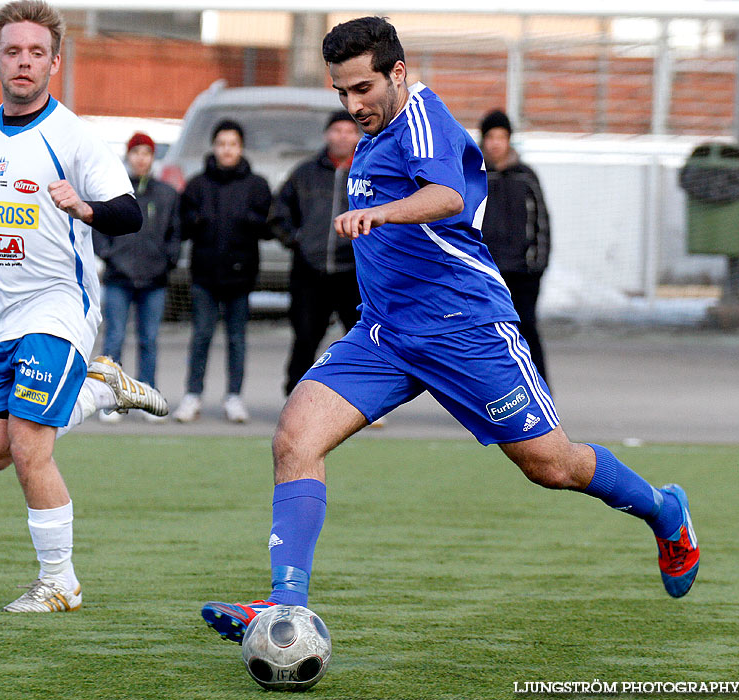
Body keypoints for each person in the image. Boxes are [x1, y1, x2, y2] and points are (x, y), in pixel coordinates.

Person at [201, 17, 699, 642]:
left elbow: (447, 198)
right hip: (387, 335)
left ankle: (664, 511)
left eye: (363, 89)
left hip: (466, 330)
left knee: (552, 465)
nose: (353, 105)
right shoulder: (374, 131)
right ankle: (285, 602)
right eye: (341, 93)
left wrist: (377, 214)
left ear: (398, 73)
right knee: (295, 436)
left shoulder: (422, 120)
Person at [0, 0, 168, 613]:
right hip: (1, 320)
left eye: (36, 53)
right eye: (13, 51)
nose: (24, 62)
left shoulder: (72, 137)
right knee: (3, 448)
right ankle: (97, 389)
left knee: (28, 448)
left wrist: (84, 208)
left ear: (55, 62)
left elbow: (131, 213)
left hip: (58, 308)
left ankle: (59, 582)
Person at [172, 120, 272, 424]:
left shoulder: (256, 185)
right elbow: (182, 224)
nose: (227, 150)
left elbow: (269, 224)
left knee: (236, 338)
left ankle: (234, 397)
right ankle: (192, 396)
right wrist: (197, 220)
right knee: (201, 335)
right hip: (204, 275)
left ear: (240, 148)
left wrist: (250, 220)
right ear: (214, 147)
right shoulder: (197, 185)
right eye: (221, 144)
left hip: (240, 276)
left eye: (233, 144)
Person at [270, 110, 362, 396]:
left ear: (358, 136)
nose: (342, 136)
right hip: (309, 272)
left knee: (362, 341)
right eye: (336, 130)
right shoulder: (305, 173)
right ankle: (294, 396)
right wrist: (297, 240)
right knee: (305, 338)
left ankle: (362, 400)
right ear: (326, 135)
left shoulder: (368, 172)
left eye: (349, 131)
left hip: (354, 274)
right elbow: (278, 214)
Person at [93, 132, 180, 423]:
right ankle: (109, 398)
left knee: (149, 339)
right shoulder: (114, 191)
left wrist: (167, 260)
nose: (141, 158)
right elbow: (99, 227)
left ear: (153, 157)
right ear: (127, 156)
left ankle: (147, 396)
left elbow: (174, 234)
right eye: (136, 152)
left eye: (146, 153)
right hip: (119, 277)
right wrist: (109, 255)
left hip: (154, 280)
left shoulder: (166, 194)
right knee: (114, 338)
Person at [479, 109, 551, 383]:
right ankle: (494, 396)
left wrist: (537, 265)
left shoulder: (526, 177)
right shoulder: (473, 175)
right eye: (490, 137)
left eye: (502, 136)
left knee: (526, 331)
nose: (496, 143)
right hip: (485, 272)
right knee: (486, 336)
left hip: (522, 273)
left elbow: (542, 223)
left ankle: (540, 391)